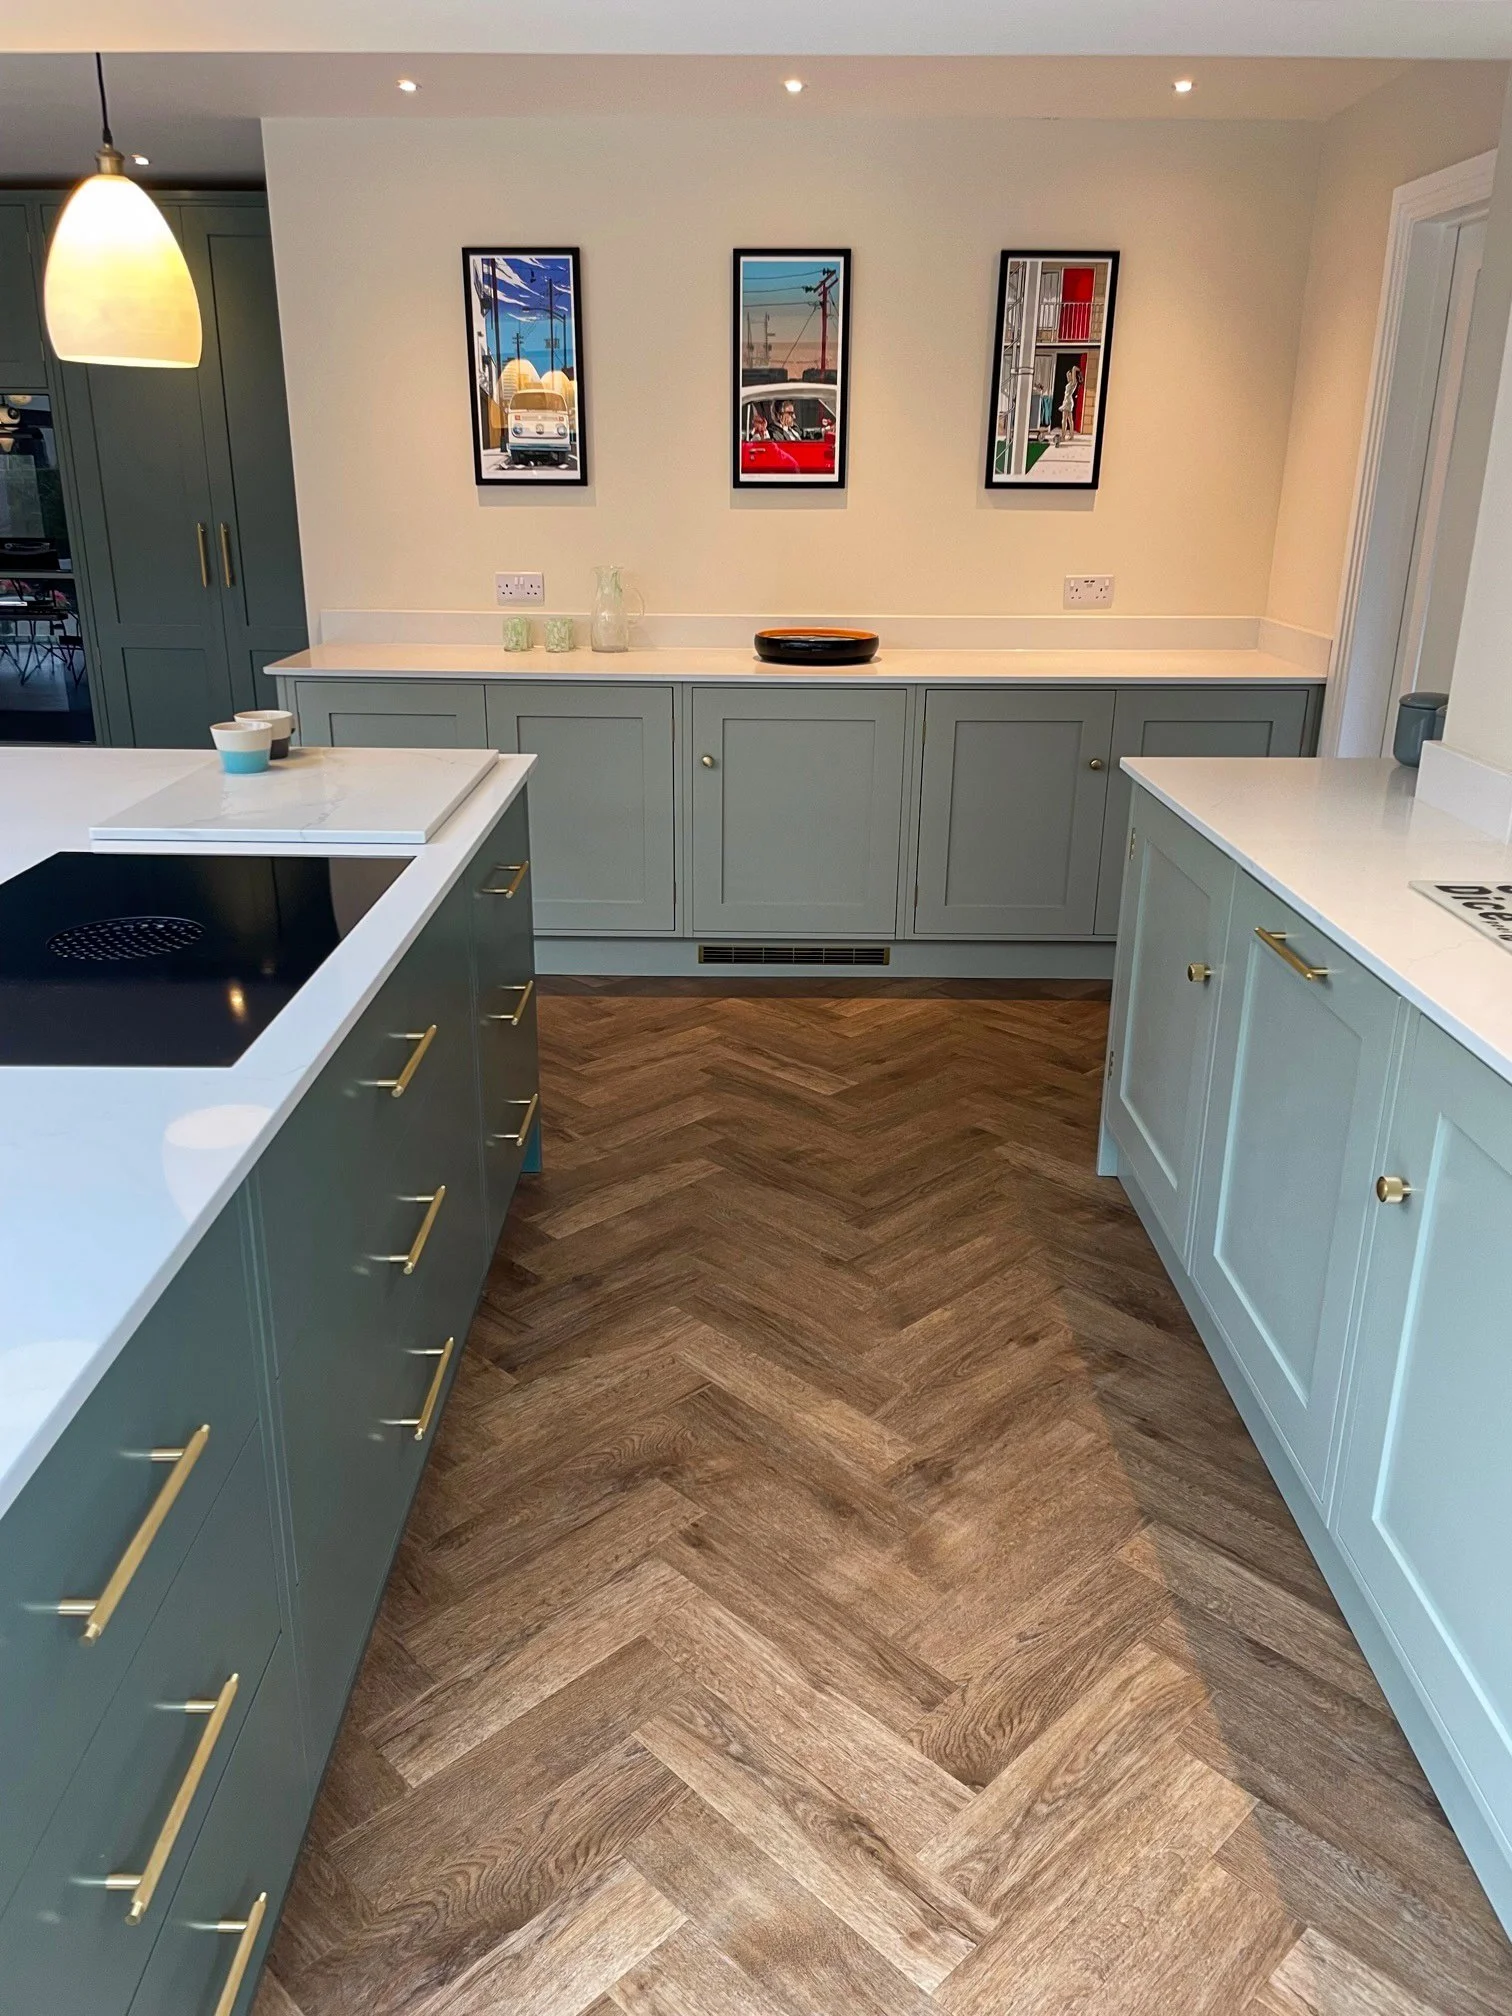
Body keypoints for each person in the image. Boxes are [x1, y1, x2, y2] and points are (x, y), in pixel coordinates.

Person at [1060, 364, 1081, 438]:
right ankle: (1071, 435)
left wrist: (1076, 370)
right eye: (1067, 375)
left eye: (1069, 375)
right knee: (1069, 419)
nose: (1067, 377)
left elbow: (1074, 368)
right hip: (1068, 401)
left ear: (1072, 375)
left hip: (1067, 401)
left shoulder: (1073, 383)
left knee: (1064, 419)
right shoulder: (1070, 383)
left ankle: (1063, 436)